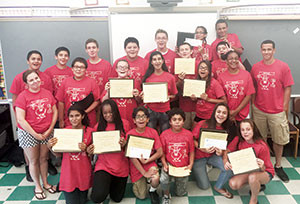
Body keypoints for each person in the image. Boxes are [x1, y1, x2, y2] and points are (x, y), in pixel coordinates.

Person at [251, 40, 294, 183]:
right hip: (259, 109)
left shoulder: (283, 67)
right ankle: (264, 165)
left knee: (279, 139)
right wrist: (253, 104)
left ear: (274, 50)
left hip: (277, 110)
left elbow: (288, 87)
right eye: (264, 49)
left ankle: (278, 165)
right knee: (259, 139)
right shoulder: (256, 67)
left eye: (269, 49)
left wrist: (285, 105)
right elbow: (253, 87)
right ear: (261, 50)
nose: (266, 52)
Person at [10, 50, 55, 181]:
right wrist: (20, 120)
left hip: (44, 124)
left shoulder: (46, 77)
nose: (36, 61)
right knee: (31, 155)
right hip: (27, 123)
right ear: (28, 61)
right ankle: (29, 168)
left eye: (39, 59)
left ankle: (45, 169)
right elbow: (15, 99)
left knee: (43, 155)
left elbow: (50, 100)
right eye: (33, 59)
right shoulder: (19, 78)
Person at [15, 70, 57, 200]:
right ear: (26, 83)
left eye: (36, 78)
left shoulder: (47, 93)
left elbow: (54, 112)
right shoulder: (22, 96)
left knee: (44, 159)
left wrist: (49, 129)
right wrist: (35, 134)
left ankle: (45, 182)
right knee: (33, 161)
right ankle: (37, 186)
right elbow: (21, 119)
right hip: (29, 133)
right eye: (31, 80)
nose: (35, 81)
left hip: (46, 132)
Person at [87, 99, 130, 203]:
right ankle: (103, 184)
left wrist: (125, 144)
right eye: (105, 113)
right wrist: (90, 150)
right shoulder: (98, 127)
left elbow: (131, 147)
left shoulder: (125, 124)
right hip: (104, 166)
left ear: (116, 111)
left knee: (117, 198)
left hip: (121, 166)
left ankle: (108, 183)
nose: (108, 115)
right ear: (102, 114)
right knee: (97, 197)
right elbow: (91, 148)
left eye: (111, 112)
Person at [48, 105, 93, 204]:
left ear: (83, 116)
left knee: (82, 201)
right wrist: (50, 147)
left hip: (83, 172)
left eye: (77, 115)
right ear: (68, 117)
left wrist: (86, 149)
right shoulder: (64, 132)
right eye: (71, 116)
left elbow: (92, 155)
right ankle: (61, 186)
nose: (74, 119)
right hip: (69, 174)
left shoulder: (90, 131)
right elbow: (58, 155)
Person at [224, 119, 274, 204]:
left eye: (248, 129)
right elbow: (227, 150)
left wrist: (261, 166)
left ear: (253, 130)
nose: (245, 132)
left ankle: (254, 199)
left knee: (253, 177)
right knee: (233, 184)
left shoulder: (262, 146)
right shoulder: (238, 139)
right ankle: (256, 185)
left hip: (265, 172)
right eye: (242, 130)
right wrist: (225, 161)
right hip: (248, 169)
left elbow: (265, 168)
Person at [192, 103, 233, 199]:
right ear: (214, 112)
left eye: (224, 113)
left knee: (229, 168)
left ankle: (218, 187)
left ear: (227, 116)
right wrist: (202, 148)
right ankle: (199, 170)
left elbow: (225, 147)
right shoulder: (203, 123)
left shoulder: (227, 128)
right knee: (204, 186)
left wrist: (221, 152)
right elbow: (192, 139)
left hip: (213, 156)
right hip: (199, 157)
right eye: (218, 112)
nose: (221, 115)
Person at [125, 106, 162, 204]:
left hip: (149, 162)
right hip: (136, 166)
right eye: (138, 117)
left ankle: (153, 191)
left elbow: (160, 152)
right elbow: (132, 157)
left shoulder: (153, 132)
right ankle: (144, 180)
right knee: (141, 196)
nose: (141, 119)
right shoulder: (130, 134)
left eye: (143, 116)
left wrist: (147, 161)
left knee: (155, 178)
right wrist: (144, 173)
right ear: (134, 120)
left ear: (148, 119)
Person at [160, 108, 194, 204]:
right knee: (163, 179)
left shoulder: (189, 135)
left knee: (181, 193)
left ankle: (178, 184)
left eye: (180, 119)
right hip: (169, 165)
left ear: (183, 121)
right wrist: (164, 164)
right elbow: (161, 152)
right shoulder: (164, 135)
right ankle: (166, 195)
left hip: (183, 166)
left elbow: (191, 151)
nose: (177, 122)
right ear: (170, 122)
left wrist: (190, 164)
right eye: (174, 120)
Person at [56, 57, 100, 128]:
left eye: (82, 67)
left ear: (85, 69)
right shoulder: (65, 82)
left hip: (88, 118)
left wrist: (84, 112)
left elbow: (97, 101)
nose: (79, 69)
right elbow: (61, 102)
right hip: (70, 119)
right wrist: (61, 120)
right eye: (76, 67)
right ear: (72, 69)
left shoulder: (92, 82)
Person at [142, 51, 178, 132]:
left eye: (159, 59)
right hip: (151, 110)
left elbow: (174, 95)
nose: (157, 61)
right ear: (151, 62)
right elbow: (146, 96)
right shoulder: (148, 78)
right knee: (151, 134)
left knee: (165, 134)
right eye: (154, 59)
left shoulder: (170, 77)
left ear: (162, 61)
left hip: (165, 111)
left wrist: (167, 96)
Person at [102, 59, 140, 129]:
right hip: (115, 116)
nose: (122, 69)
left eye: (125, 67)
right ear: (116, 69)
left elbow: (139, 101)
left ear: (128, 70)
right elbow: (103, 101)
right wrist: (108, 92)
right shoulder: (110, 83)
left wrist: (137, 96)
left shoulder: (135, 83)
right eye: (120, 67)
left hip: (130, 115)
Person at [218, 51, 255, 122]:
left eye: (236, 58)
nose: (233, 61)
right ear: (226, 61)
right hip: (227, 114)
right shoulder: (221, 77)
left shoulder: (246, 74)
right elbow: (222, 97)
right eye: (231, 59)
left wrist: (236, 111)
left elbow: (249, 95)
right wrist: (228, 112)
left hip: (243, 113)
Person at [193, 60, 226, 126]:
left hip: (210, 116)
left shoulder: (214, 83)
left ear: (209, 71)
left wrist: (208, 99)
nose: (203, 70)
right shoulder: (196, 82)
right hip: (199, 114)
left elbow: (224, 101)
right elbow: (196, 99)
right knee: (195, 131)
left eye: (205, 68)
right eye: (201, 68)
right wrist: (193, 98)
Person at [175, 42, 199, 130]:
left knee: (196, 131)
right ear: (179, 52)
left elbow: (203, 82)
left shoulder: (198, 64)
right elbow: (175, 87)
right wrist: (180, 80)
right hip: (184, 104)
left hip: (198, 105)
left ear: (191, 51)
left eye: (186, 49)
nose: (184, 52)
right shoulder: (177, 66)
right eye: (182, 50)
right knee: (184, 130)